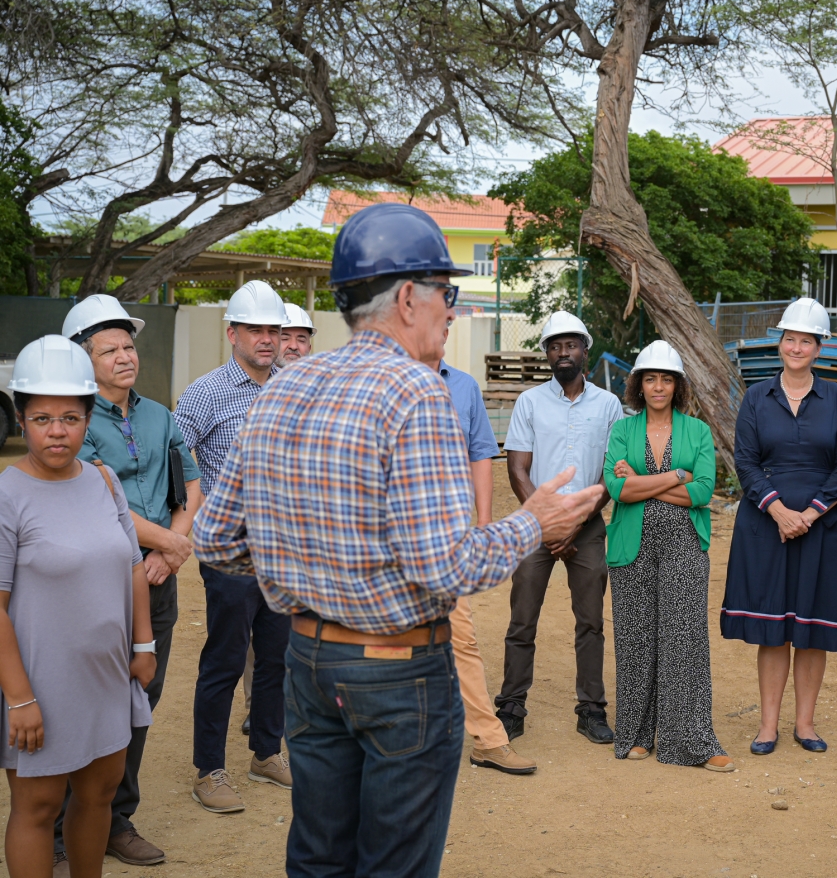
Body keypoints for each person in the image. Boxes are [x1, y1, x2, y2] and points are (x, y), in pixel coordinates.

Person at [192, 202, 602, 878]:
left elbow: (214, 536)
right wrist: (538, 522)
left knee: (319, 859)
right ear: (409, 297)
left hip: (309, 662)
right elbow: (444, 565)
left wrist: (312, 573)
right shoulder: (415, 391)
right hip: (396, 675)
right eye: (448, 293)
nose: (452, 309)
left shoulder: (286, 386)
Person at [45, 296, 203, 871]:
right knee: (82, 702)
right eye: (108, 349)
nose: (124, 357)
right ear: (82, 361)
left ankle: (116, 819)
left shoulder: (161, 415)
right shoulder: (73, 420)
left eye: (128, 346)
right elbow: (95, 495)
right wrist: (167, 542)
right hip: (95, 581)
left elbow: (189, 484)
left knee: (139, 699)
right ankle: (63, 832)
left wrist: (173, 550)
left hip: (157, 578)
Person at [0, 335, 156, 878]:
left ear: (90, 418)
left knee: (99, 794)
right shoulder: (8, 496)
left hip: (106, 675)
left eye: (70, 416)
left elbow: (133, 563)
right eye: (42, 418)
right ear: (22, 421)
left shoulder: (104, 481)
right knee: (38, 808)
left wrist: (144, 643)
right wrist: (20, 699)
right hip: (41, 684)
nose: (57, 431)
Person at [174, 279, 293, 813]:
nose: (266, 339)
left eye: (273, 329)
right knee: (224, 658)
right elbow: (176, 458)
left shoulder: (295, 386)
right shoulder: (205, 393)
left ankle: (266, 752)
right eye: (255, 329)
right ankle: (209, 769)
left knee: (277, 657)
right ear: (233, 333)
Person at [722, 300, 837, 755]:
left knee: (813, 627)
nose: (797, 347)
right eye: (790, 338)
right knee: (773, 626)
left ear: (820, 348)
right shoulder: (757, 397)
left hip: (824, 526)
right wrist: (779, 511)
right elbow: (746, 462)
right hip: (766, 526)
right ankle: (767, 726)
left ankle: (805, 724)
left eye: (806, 340)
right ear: (780, 343)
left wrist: (811, 513)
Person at [494, 310, 624, 744]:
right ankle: (511, 707)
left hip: (586, 529)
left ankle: (591, 710)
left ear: (585, 350)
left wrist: (576, 520)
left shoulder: (608, 405)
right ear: (547, 354)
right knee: (522, 620)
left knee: (590, 622)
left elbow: (611, 473)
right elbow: (517, 470)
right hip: (537, 528)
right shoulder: (530, 402)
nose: (562, 352)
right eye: (554, 346)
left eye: (570, 345)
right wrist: (549, 520)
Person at [603, 340, 731, 770]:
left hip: (683, 546)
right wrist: (677, 474)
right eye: (651, 379)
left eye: (667, 379)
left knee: (683, 641)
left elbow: (702, 492)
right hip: (631, 546)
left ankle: (689, 742)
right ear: (639, 384)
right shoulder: (623, 429)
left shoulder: (696, 430)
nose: (658, 386)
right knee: (636, 639)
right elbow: (617, 489)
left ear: (678, 386)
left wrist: (644, 478)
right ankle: (636, 735)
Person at [423, 325, 536, 775]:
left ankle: (488, 741)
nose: (439, 327)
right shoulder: (381, 383)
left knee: (461, 638)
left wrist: (484, 526)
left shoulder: (464, 387)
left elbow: (480, 455)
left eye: (445, 319)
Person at [244, 300, 316, 735]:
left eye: (300, 338)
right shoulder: (238, 390)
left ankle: (294, 706)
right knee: (256, 631)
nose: (291, 345)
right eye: (284, 336)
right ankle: (260, 708)